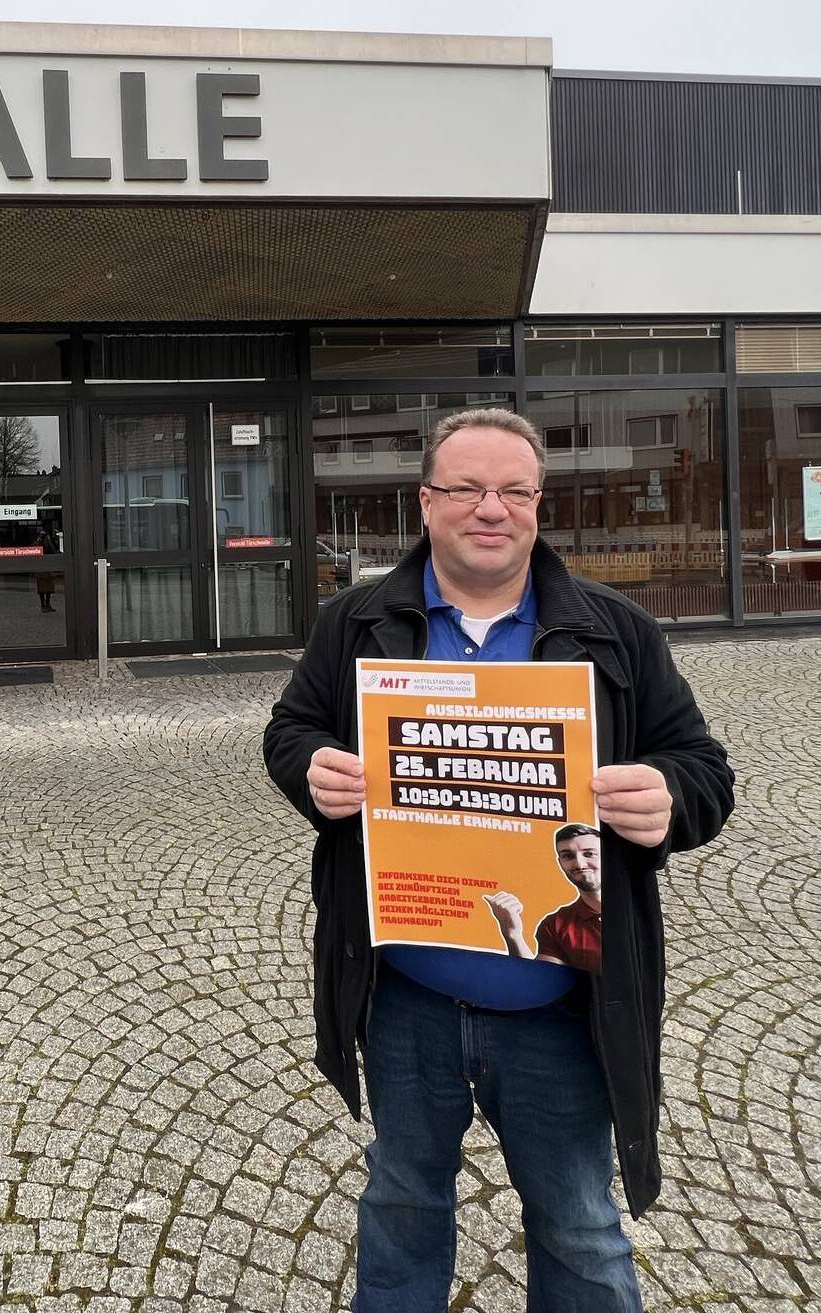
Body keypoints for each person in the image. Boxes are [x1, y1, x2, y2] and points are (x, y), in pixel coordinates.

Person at [263, 407, 735, 1313]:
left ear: (537, 503)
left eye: (515, 490)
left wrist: (668, 798)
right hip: (406, 1000)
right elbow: (293, 728)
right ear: (426, 502)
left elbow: (704, 769)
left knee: (579, 1229)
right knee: (401, 1207)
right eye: (468, 488)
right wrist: (310, 771)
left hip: (559, 1009)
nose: (493, 508)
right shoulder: (356, 621)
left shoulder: (617, 632)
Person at [484, 824, 604, 974]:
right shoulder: (555, 925)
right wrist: (512, 933)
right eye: (568, 856)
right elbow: (537, 982)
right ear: (560, 862)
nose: (579, 864)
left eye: (589, 854)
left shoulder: (639, 902)